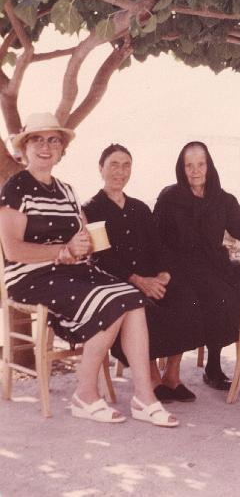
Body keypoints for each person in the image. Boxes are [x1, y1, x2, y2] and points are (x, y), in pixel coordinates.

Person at [0, 113, 177, 426]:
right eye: (37, 139)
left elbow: (89, 237)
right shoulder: (16, 188)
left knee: (130, 295)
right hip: (30, 276)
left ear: (61, 149)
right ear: (25, 147)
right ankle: (84, 394)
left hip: (72, 273)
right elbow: (13, 250)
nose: (45, 146)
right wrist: (62, 251)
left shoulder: (67, 191)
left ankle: (144, 396)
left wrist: (86, 246)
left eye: (53, 140)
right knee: (114, 300)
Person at [83, 144, 204, 403]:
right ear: (101, 168)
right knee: (145, 309)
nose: (120, 171)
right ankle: (151, 376)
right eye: (114, 165)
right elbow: (102, 257)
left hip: (150, 278)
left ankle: (172, 375)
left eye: (126, 165)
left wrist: (164, 274)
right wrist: (138, 281)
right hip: (117, 283)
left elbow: (158, 246)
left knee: (186, 297)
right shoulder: (91, 209)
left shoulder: (139, 208)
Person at [154, 141, 240, 391]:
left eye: (200, 164)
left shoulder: (224, 199)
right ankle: (213, 367)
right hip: (182, 267)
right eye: (189, 166)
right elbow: (155, 238)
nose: (195, 171)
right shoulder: (170, 197)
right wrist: (161, 270)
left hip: (217, 263)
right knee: (221, 299)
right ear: (181, 168)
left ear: (209, 166)